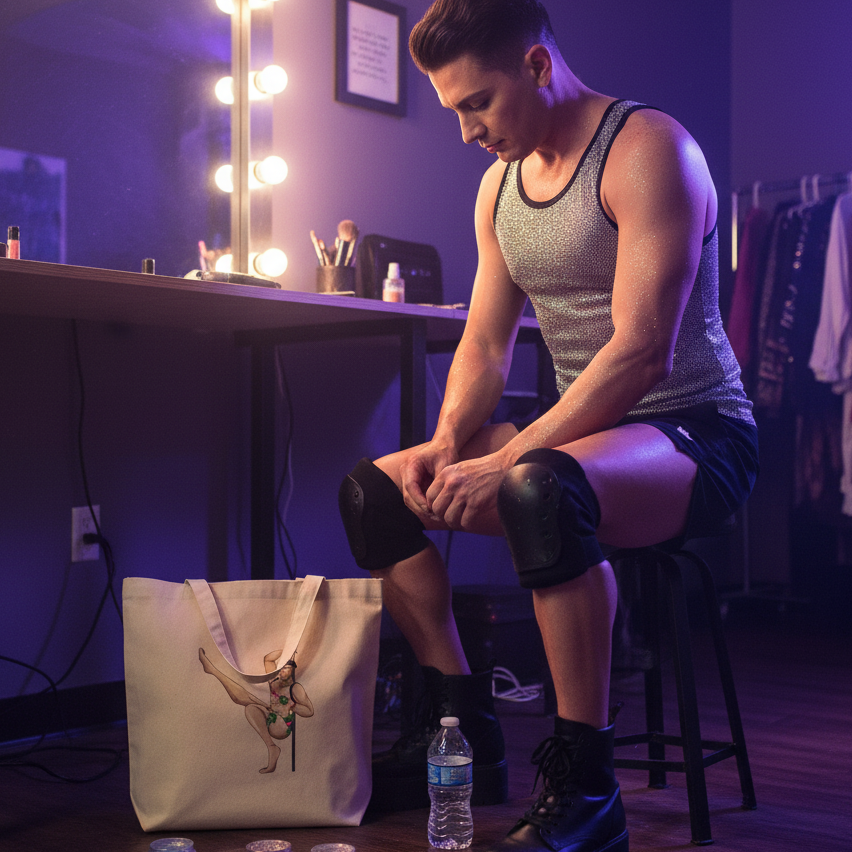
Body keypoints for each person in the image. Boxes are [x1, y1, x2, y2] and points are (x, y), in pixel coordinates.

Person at [338, 1, 758, 849]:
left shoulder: (650, 153)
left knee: (538, 489)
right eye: (454, 109)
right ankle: (462, 727)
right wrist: (453, 443)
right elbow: (486, 345)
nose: (464, 132)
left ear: (536, 66)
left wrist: (514, 456)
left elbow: (642, 352)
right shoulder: (499, 186)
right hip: (581, 440)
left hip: (694, 436)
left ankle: (587, 789)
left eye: (475, 103)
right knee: (376, 490)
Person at [199, 647, 313, 774]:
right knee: (248, 705)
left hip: (282, 726)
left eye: (286, 668)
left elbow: (309, 710)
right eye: (281, 669)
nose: (282, 672)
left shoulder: (295, 688)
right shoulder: (275, 682)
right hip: (271, 716)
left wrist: (293, 706)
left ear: (292, 671)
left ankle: (213, 670)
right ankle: (271, 747)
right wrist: (287, 651)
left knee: (244, 697)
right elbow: (268, 660)